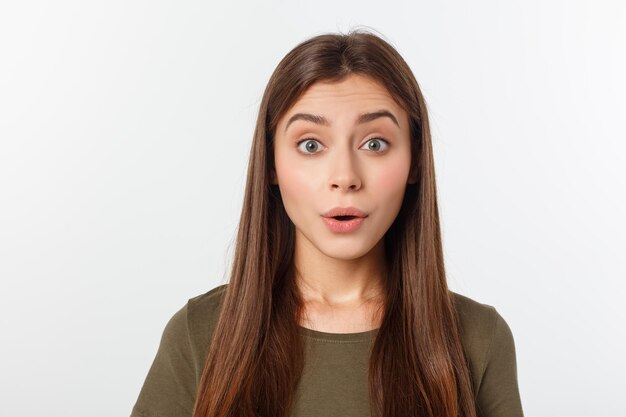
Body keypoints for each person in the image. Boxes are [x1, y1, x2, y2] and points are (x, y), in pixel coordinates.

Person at [130, 29, 524, 417]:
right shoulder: (200, 334)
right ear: (271, 163)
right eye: (311, 145)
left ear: (415, 161)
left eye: (374, 143)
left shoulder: (477, 339)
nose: (344, 176)